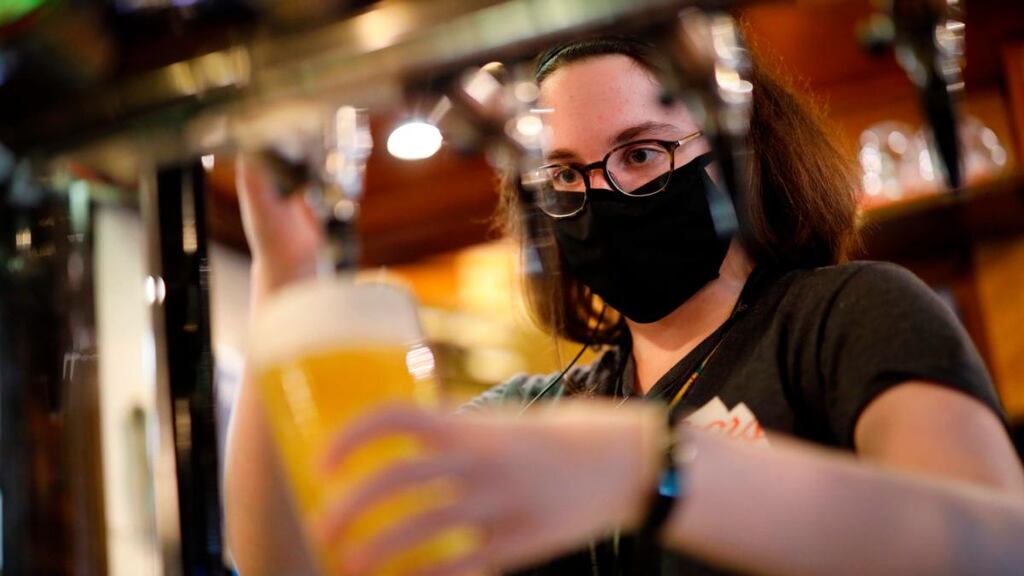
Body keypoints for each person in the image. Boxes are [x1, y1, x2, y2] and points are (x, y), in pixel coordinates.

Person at [225, 35, 1024, 575]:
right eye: (566, 175)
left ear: (740, 152)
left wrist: (654, 472)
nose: (605, 194)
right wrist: (288, 274)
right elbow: (289, 561)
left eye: (640, 153)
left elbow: (997, 544)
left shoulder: (844, 317)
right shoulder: (541, 416)